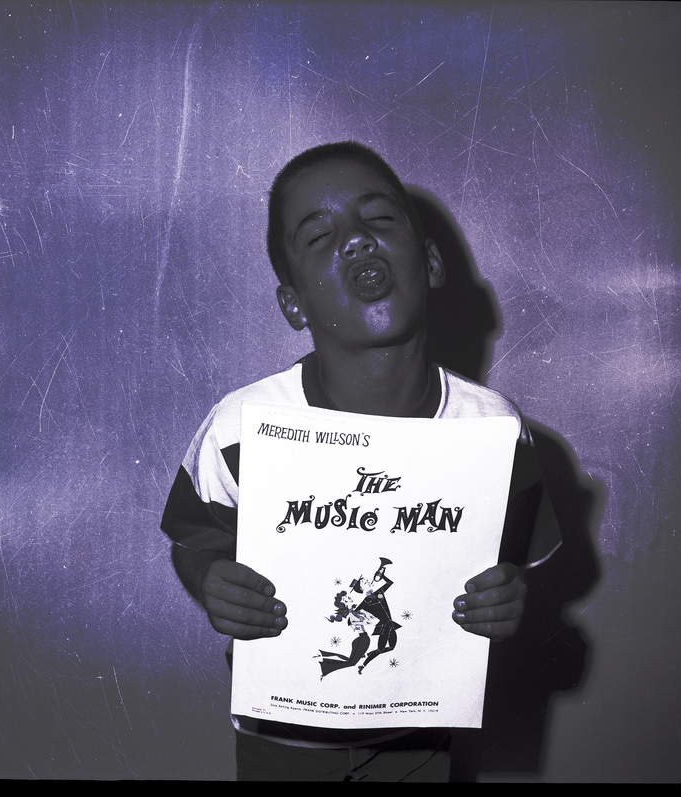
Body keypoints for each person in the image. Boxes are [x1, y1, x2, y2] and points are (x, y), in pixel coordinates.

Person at [160, 141, 561, 781]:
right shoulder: (240, 426)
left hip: (421, 737)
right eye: (319, 236)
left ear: (430, 262)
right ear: (293, 303)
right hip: (280, 737)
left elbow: (517, 567)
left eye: (378, 218)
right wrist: (211, 579)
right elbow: (193, 538)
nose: (355, 239)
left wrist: (507, 597)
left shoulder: (495, 431)